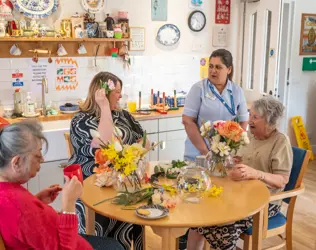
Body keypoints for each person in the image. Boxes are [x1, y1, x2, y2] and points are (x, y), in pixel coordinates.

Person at [187, 96, 293, 250]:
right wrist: (230, 160)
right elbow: (237, 159)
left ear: (270, 122)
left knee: (223, 226)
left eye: (255, 117)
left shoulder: (280, 142)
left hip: (265, 202)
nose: (249, 121)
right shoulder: (248, 136)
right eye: (250, 115)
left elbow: (282, 180)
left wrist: (256, 174)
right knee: (199, 218)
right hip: (240, 194)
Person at [0, 120, 123, 250]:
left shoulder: (8, 195)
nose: (42, 159)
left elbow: (27, 225)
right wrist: (69, 204)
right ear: (16, 162)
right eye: (37, 154)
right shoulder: (18, 207)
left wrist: (37, 201)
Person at [68, 71, 149, 250]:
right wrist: (104, 108)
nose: (120, 95)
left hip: (124, 179)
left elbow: (144, 141)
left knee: (134, 198)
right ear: (103, 93)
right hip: (92, 183)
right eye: (117, 91)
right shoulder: (81, 120)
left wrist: (134, 152)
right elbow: (104, 146)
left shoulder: (123, 115)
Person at [182, 49, 249, 161]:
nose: (213, 71)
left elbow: (243, 121)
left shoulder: (237, 91)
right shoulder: (198, 89)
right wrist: (206, 152)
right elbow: (187, 121)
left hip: (224, 155)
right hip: (199, 154)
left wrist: (233, 148)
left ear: (229, 69)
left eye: (218, 67)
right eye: (211, 66)